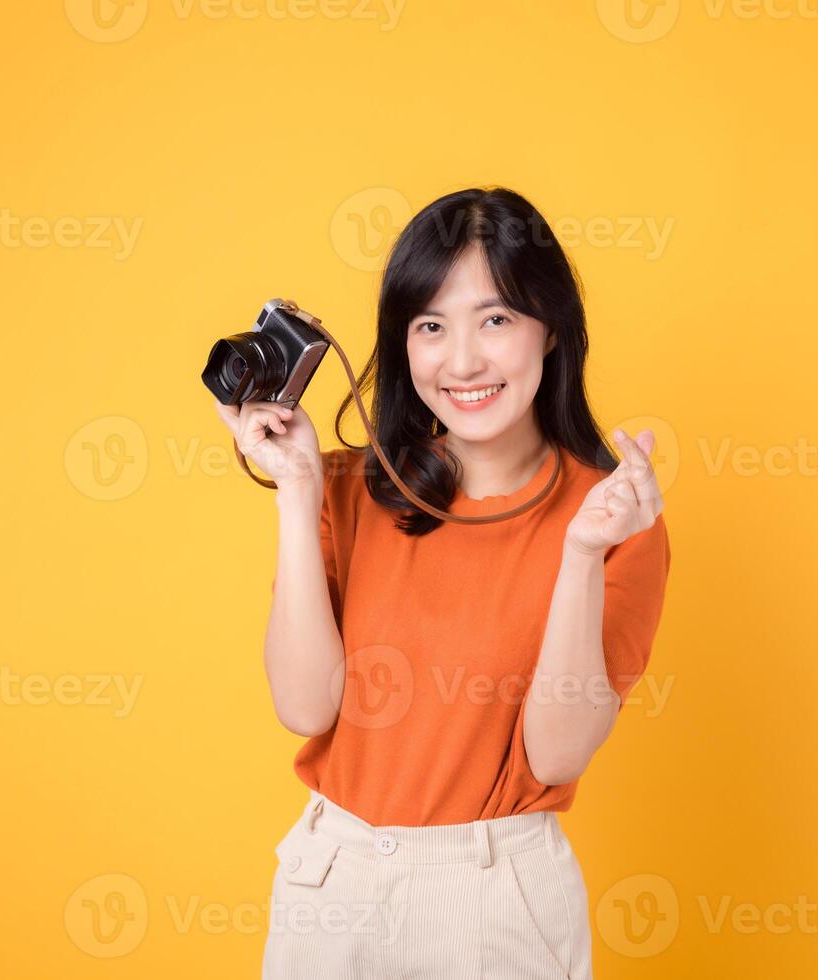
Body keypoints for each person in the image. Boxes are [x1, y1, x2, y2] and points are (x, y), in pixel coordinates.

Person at [214, 186, 671, 979]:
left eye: (495, 319)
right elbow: (304, 707)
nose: (461, 361)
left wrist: (580, 555)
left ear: (551, 329)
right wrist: (297, 494)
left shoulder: (613, 519)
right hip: (332, 881)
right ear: (403, 345)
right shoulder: (349, 489)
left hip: (493, 900)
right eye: (431, 326)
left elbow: (557, 755)